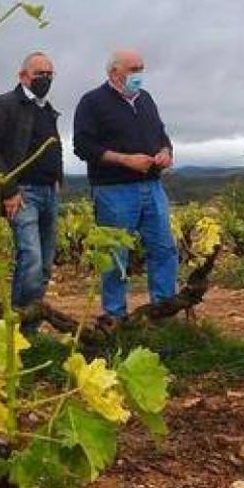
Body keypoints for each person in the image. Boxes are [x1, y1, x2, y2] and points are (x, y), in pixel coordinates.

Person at [72, 48, 179, 321]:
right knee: (115, 255)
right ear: (114, 72)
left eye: (141, 68)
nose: (138, 74)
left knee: (163, 247)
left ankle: (164, 310)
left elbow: (161, 134)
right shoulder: (92, 102)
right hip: (113, 190)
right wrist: (124, 160)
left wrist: (165, 152)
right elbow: (83, 146)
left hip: (152, 186)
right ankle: (115, 316)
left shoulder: (146, 100)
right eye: (133, 69)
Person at [0, 52, 64, 328]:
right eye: (39, 74)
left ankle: (30, 328)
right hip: (22, 193)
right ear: (23, 76)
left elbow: (52, 146)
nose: (45, 79)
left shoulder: (47, 109)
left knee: (45, 264)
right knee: (32, 259)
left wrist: (58, 178)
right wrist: (9, 190)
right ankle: (18, 327)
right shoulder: (3, 105)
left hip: (48, 192)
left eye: (49, 74)